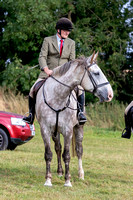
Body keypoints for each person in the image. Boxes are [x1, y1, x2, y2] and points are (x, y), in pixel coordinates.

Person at [23, 17, 87, 125]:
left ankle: (80, 113)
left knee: (80, 89)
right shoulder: (47, 40)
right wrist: (46, 69)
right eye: (66, 30)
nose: (68, 33)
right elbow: (42, 57)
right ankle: (31, 115)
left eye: (69, 31)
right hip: (48, 73)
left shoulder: (71, 43)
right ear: (58, 30)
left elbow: (71, 61)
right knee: (33, 89)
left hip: (64, 75)